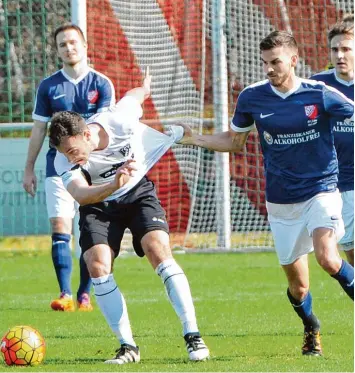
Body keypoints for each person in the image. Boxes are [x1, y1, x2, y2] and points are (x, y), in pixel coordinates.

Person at [177, 30, 354, 356]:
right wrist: (195, 139)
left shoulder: (320, 93)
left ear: (293, 60)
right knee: (298, 287)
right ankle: (311, 327)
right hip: (282, 201)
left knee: (329, 257)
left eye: (275, 62)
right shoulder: (252, 97)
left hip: (322, 190)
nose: (269, 69)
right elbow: (234, 142)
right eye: (265, 63)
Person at [47, 68, 210, 364]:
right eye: (65, 154)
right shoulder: (62, 157)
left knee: (157, 249)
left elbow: (133, 98)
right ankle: (128, 347)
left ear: (86, 134)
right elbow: (83, 195)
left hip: (137, 194)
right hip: (98, 203)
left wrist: (145, 87)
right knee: (96, 265)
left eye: (73, 150)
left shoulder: (118, 120)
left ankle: (192, 335)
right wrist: (112, 184)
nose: (71, 158)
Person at [23, 23, 115, 312]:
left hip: (93, 168)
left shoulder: (101, 83)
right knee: (59, 225)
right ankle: (64, 294)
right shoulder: (48, 86)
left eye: (73, 42)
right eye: (62, 44)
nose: (68, 48)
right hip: (57, 166)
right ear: (58, 50)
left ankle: (84, 295)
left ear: (85, 45)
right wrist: (29, 169)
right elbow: (39, 129)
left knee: (88, 229)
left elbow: (105, 129)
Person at [310, 16, 354, 266]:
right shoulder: (318, 85)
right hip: (336, 184)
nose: (340, 55)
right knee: (349, 253)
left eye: (346, 49)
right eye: (335, 49)